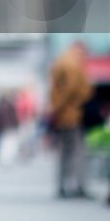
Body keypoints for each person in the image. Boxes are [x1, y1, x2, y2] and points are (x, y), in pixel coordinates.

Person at [48, 41, 93, 199]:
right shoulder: (71, 64)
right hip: (72, 114)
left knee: (66, 152)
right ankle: (77, 186)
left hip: (65, 114)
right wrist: (61, 106)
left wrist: (55, 107)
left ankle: (64, 185)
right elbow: (74, 89)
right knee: (77, 152)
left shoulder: (61, 62)